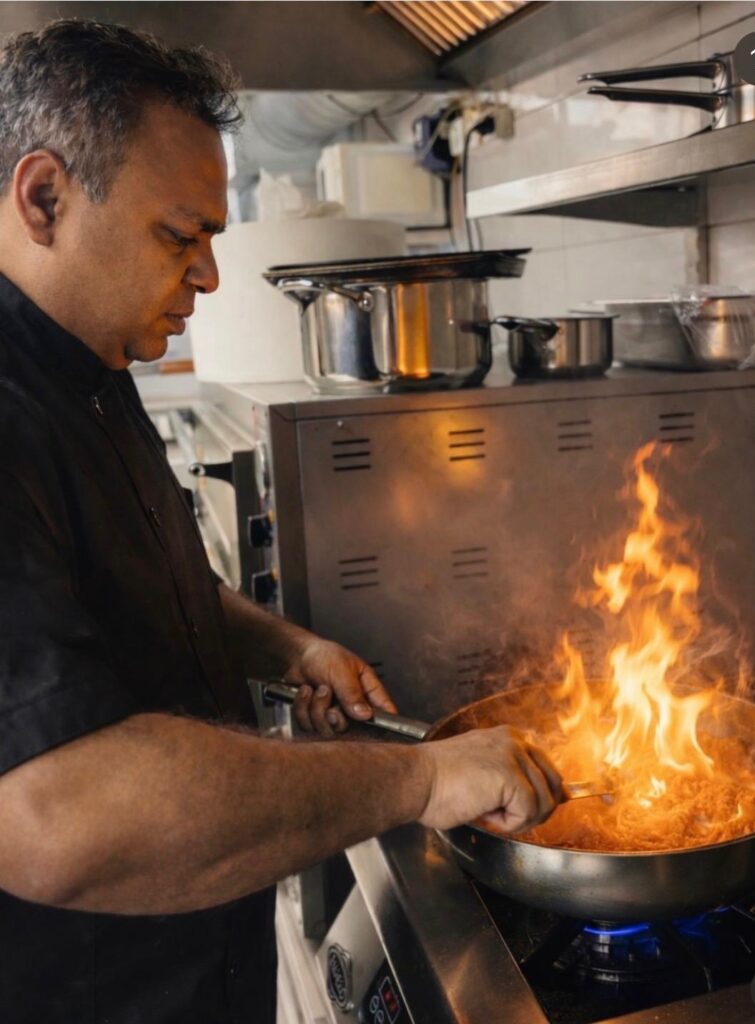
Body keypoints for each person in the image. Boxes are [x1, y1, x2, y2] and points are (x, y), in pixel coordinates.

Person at [0, 19, 564, 1024]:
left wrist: (284, 642)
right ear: (44, 197)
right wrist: (421, 779)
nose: (209, 277)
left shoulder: (92, 363)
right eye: (181, 235)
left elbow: (156, 582)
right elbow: (57, 817)